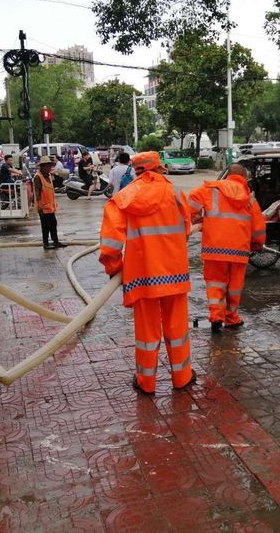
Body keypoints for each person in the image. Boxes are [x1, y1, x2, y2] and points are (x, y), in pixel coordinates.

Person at [99, 151, 195, 395]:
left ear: (136, 170)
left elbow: (110, 244)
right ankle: (182, 377)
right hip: (174, 274)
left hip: (143, 277)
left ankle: (146, 382)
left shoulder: (124, 197)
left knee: (147, 333)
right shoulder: (175, 193)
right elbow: (185, 229)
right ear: (159, 168)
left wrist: (114, 268)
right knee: (177, 328)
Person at [188, 163, 266, 333]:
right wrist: (257, 243)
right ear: (244, 178)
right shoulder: (249, 197)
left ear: (228, 175)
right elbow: (258, 226)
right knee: (234, 286)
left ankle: (216, 317)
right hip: (239, 250)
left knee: (215, 284)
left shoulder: (211, 189)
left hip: (214, 249)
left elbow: (191, 201)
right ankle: (231, 318)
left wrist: (197, 220)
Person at [33, 156, 67, 250]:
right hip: (43, 207)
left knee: (53, 224)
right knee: (45, 226)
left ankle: (56, 242)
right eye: (48, 166)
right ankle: (46, 243)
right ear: (43, 167)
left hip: (50, 207)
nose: (50, 168)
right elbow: (37, 193)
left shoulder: (48, 176)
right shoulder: (38, 177)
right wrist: (40, 208)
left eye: (50, 166)